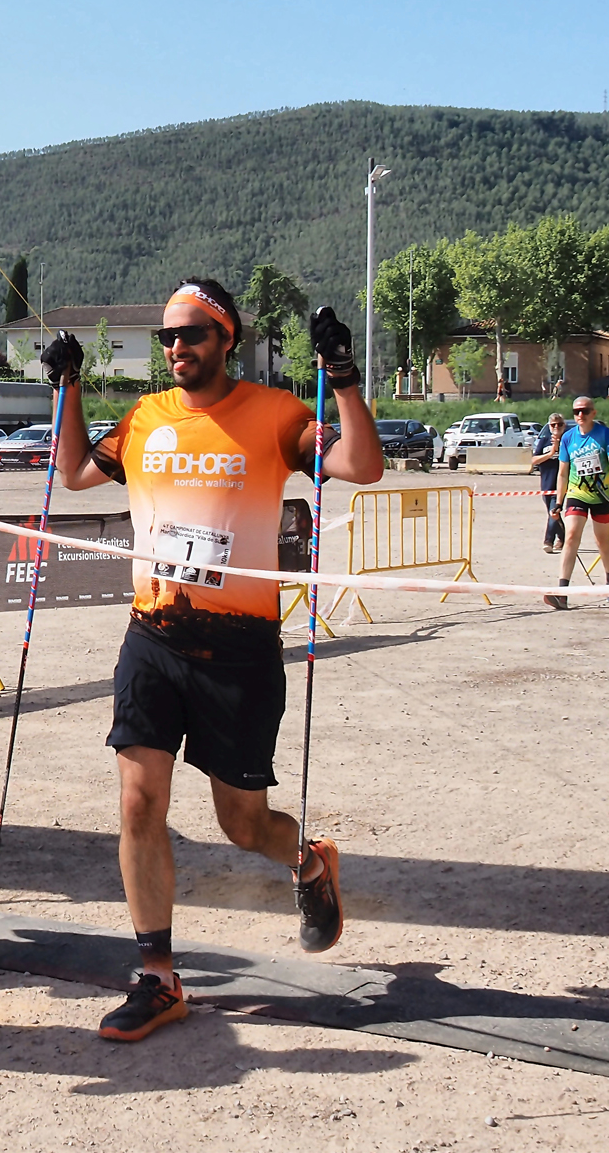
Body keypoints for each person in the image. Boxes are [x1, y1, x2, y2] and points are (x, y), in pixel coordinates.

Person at [53, 280, 383, 1043]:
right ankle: (158, 976)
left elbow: (360, 466)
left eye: (192, 334)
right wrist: (67, 387)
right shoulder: (144, 417)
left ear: (225, 337)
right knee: (139, 802)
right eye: (168, 336)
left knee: (242, 826)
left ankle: (306, 861)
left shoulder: (274, 413)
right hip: (154, 634)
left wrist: (342, 377)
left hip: (238, 648)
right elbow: (72, 474)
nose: (176, 348)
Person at [545, 396, 609, 610]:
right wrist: (558, 502)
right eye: (577, 411)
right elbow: (562, 473)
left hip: (602, 495)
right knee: (571, 536)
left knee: (602, 541)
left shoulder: (604, 433)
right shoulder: (568, 438)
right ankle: (562, 592)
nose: (580, 415)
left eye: (585, 411)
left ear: (593, 413)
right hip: (576, 494)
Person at [532, 413, 566, 553]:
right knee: (552, 513)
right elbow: (533, 460)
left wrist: (559, 446)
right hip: (546, 484)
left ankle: (548, 541)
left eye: (559, 424)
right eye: (553, 425)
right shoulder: (544, 441)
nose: (556, 427)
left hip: (561, 485)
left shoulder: (568, 441)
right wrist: (550, 453)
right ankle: (564, 537)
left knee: (554, 511)